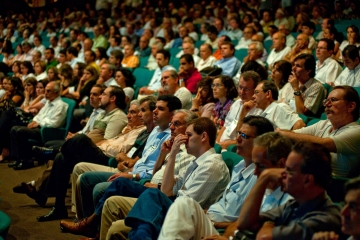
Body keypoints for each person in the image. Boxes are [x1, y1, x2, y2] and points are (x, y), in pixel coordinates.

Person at [59, 109, 197, 237]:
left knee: (115, 184)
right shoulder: (170, 144)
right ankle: (89, 225)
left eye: (177, 124)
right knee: (104, 179)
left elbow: (173, 188)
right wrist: (163, 154)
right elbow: (155, 171)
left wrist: (147, 181)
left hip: (156, 192)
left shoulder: (189, 154)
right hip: (148, 182)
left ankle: (90, 224)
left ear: (190, 128)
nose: (172, 127)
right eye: (172, 124)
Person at [159, 131, 292, 239]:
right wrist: (227, 237)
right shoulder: (265, 189)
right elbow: (240, 224)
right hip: (219, 228)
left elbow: (264, 236)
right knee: (184, 204)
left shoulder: (291, 197)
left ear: (281, 164)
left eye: (261, 166)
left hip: (218, 225)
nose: (256, 172)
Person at [122, 117, 231, 239]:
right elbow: (166, 190)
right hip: (177, 207)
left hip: (188, 217)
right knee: (131, 218)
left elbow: (187, 205)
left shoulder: (212, 165)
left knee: (152, 195)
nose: (184, 140)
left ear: (203, 137)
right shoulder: (196, 162)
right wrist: (172, 153)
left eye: (188, 135)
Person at [36, 85, 129, 221]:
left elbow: (108, 142)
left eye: (103, 94)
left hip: (103, 156)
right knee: (61, 159)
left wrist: (82, 144)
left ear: (113, 98)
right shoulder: (103, 114)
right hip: (91, 150)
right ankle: (59, 207)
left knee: (79, 139)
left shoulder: (118, 117)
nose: (100, 96)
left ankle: (53, 153)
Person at [223, 142, 341, 239]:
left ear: (307, 180)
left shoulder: (325, 218)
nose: (281, 174)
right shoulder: (294, 205)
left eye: (288, 171)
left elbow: (263, 238)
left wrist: (265, 175)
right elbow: (244, 223)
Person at [278, 86, 360, 178]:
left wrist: (280, 133)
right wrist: (282, 133)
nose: (327, 104)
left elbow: (324, 144)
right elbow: (294, 134)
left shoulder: (357, 131)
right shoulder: (324, 124)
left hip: (334, 186)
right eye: (326, 101)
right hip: (311, 179)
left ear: (351, 106)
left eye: (333, 100)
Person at [8, 81, 68, 170]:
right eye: (46, 91)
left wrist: (38, 123)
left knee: (19, 131)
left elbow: (55, 123)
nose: (45, 93)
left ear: (56, 92)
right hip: (39, 128)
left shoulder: (61, 105)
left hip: (47, 131)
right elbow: (40, 115)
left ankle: (26, 160)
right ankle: (19, 159)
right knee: (14, 129)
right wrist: (34, 121)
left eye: (48, 91)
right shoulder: (49, 102)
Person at [216, 71, 262, 149]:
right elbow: (226, 125)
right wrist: (217, 143)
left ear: (255, 90)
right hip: (222, 145)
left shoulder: (259, 109)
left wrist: (226, 145)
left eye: (246, 89)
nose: (242, 92)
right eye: (240, 87)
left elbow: (248, 138)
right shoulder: (236, 103)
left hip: (235, 147)